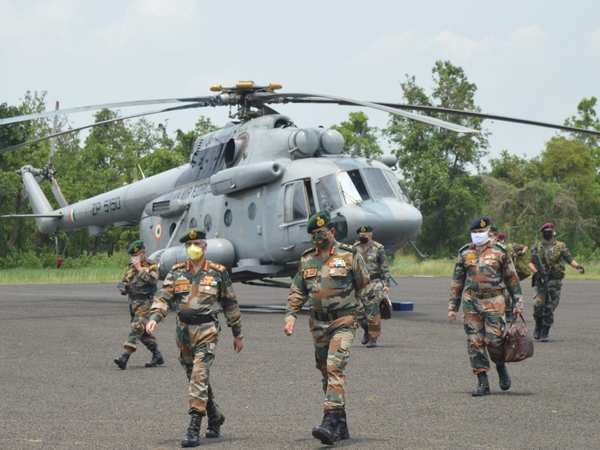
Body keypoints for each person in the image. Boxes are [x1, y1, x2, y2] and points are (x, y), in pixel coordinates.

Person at [145, 229, 243, 448]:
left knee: (199, 376)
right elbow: (163, 296)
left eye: (197, 244)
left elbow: (230, 303)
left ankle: (193, 427)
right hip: (183, 333)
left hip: (207, 329)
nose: (193, 248)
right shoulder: (177, 271)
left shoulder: (218, 272)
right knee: (195, 377)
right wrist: (154, 317)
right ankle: (215, 416)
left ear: (205, 247)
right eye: (189, 245)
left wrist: (237, 333)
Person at [284, 211, 369, 445]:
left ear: (332, 231)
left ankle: (329, 421)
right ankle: (341, 424)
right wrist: (291, 315)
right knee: (324, 371)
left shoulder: (350, 256)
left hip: (344, 320)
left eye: (321, 232)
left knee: (334, 367)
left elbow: (365, 287)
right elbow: (298, 289)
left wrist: (369, 321)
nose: (318, 237)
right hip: (318, 323)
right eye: (313, 234)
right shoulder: (307, 259)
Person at [448, 217, 524, 397]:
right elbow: (457, 281)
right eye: (474, 233)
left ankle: (500, 365)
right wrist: (453, 307)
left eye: (480, 232)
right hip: (471, 302)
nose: (477, 235)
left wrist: (518, 302)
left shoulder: (500, 252)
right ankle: (482, 381)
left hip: (494, 301)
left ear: (488, 232)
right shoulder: (465, 252)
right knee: (474, 342)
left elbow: (512, 279)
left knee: (494, 341)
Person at [528, 222, 584, 341]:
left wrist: (578, 266)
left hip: (554, 281)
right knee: (538, 305)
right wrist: (536, 272)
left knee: (549, 307)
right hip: (541, 281)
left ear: (553, 233)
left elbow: (569, 259)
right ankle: (538, 325)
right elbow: (530, 262)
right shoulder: (537, 247)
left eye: (549, 231)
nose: (548, 233)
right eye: (545, 231)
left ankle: (545, 331)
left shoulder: (560, 246)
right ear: (542, 233)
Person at [113, 240, 163, 370]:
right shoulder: (130, 267)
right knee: (142, 333)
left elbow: (153, 280)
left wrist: (140, 268)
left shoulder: (151, 265)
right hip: (133, 303)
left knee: (136, 328)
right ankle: (157, 355)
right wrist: (123, 288)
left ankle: (124, 357)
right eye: (133, 255)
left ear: (143, 252)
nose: (135, 257)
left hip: (146, 302)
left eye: (137, 254)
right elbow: (124, 281)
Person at [352, 225, 391, 347]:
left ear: (371, 234)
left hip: (374, 284)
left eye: (366, 233)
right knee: (358, 312)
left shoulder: (378, 248)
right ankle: (366, 330)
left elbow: (384, 267)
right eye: (361, 234)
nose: (363, 236)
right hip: (358, 285)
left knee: (373, 312)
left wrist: (386, 284)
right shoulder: (354, 248)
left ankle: (373, 338)